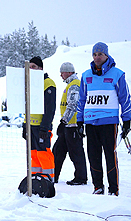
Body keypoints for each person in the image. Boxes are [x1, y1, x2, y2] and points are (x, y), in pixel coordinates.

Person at [77, 42, 131, 196]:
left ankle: (113, 189)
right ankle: (98, 187)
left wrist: (127, 120)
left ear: (106, 55)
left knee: (110, 156)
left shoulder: (117, 74)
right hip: (90, 122)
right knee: (93, 156)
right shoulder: (86, 75)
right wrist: (79, 121)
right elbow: (82, 100)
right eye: (94, 54)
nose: (97, 57)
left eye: (100, 54)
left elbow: (125, 99)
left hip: (109, 122)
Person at [52, 62, 88, 185]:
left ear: (69, 72)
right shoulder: (70, 85)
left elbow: (73, 105)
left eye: (62, 72)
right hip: (68, 125)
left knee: (76, 152)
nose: (60, 75)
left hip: (73, 125)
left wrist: (63, 121)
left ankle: (81, 178)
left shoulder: (74, 85)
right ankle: (53, 176)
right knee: (58, 151)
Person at [22, 56, 56, 181]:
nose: (31, 70)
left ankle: (48, 179)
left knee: (44, 154)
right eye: (29, 67)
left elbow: (50, 109)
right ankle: (35, 179)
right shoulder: (28, 83)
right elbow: (26, 105)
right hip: (30, 126)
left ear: (40, 68)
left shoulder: (48, 83)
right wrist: (25, 125)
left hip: (42, 127)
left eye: (33, 67)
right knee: (34, 154)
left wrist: (45, 127)